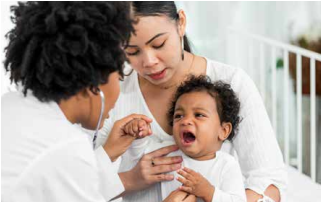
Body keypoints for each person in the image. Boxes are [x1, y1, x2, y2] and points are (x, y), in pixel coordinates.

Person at [1, 2, 196, 202]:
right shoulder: (65, 146)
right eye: (119, 73)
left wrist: (108, 153)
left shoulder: (11, 106)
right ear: (96, 79)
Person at [96, 1, 287, 202]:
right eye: (133, 52)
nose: (149, 61)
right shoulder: (113, 90)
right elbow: (80, 182)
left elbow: (270, 185)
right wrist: (129, 180)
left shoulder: (233, 83)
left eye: (158, 44)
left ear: (181, 23)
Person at [125, 75, 246, 202]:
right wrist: (138, 134)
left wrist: (209, 192)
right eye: (179, 116)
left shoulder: (226, 165)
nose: (185, 121)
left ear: (223, 130)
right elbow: (138, 155)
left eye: (199, 115)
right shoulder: (168, 153)